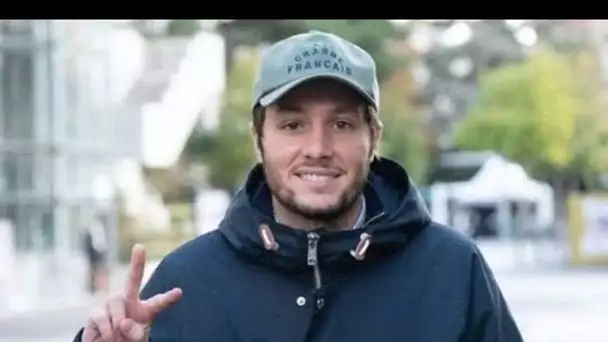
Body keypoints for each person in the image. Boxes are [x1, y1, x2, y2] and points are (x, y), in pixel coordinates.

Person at [74, 30, 523, 342]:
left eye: (342, 123)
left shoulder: (450, 270)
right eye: (292, 124)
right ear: (258, 138)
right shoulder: (184, 284)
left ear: (374, 138)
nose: (318, 147)